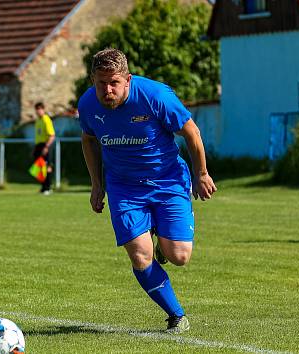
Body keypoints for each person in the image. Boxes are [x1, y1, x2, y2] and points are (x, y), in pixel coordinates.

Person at [78, 48, 217, 333]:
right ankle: (176, 315)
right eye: (101, 82)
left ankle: (161, 237)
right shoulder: (88, 104)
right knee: (141, 256)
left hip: (167, 180)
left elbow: (191, 132)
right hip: (124, 187)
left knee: (179, 256)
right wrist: (96, 185)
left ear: (128, 79)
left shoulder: (156, 96)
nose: (107, 90)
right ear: (92, 79)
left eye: (114, 82)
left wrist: (201, 173)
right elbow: (88, 140)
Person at [32, 102, 56, 194]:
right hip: (39, 145)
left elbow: (52, 135)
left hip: (46, 145)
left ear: (43, 109)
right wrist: (35, 147)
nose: (38, 111)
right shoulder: (38, 120)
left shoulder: (46, 120)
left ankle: (48, 187)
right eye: (36, 109)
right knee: (39, 167)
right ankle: (43, 187)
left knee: (47, 167)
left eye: (39, 109)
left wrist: (46, 147)